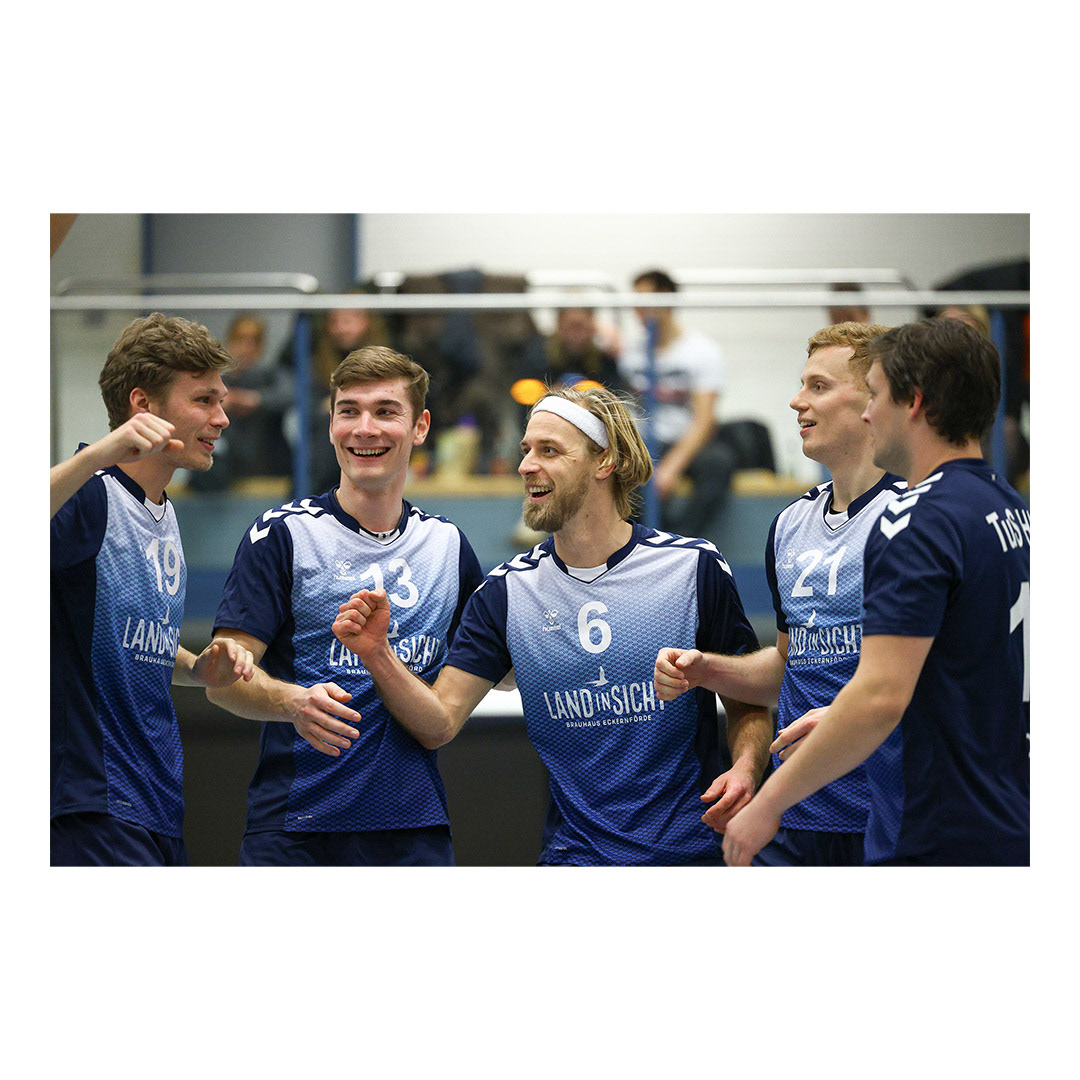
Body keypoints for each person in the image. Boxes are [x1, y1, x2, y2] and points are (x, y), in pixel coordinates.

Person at [332, 385, 773, 866]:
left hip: (690, 855)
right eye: (526, 450)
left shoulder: (693, 567)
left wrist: (747, 768)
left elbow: (749, 701)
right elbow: (438, 723)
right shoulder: (504, 593)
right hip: (571, 858)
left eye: (548, 451)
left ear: (604, 462)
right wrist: (377, 653)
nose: (525, 465)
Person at [722, 318, 1030, 866]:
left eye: (878, 395)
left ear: (912, 402)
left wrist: (769, 802)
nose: (870, 413)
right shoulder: (1008, 505)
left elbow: (882, 694)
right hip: (1002, 806)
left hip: (932, 820)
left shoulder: (917, 519)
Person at [205, 346, 483, 866]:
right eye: (349, 411)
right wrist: (291, 701)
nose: (364, 429)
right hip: (294, 828)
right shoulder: (283, 534)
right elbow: (223, 680)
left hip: (414, 829)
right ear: (331, 424)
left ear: (420, 427)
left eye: (386, 411)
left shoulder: (447, 545)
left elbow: (496, 673)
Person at [654, 322, 903, 865]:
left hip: (887, 815)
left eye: (818, 386)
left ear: (872, 399)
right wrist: (706, 670)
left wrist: (843, 717)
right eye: (801, 384)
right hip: (794, 814)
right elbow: (791, 667)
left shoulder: (915, 518)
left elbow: (938, 678)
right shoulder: (791, 524)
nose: (796, 401)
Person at [51, 313, 255, 866]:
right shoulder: (90, 494)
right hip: (92, 804)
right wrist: (95, 455)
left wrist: (196, 669)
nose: (221, 418)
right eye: (203, 400)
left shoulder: (163, 511)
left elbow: (134, 641)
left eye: (221, 401)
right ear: (142, 405)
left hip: (156, 804)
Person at [618, 269, 737, 539]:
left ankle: (682, 541)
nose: (637, 310)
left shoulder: (701, 351)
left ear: (666, 298)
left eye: (644, 300)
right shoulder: (630, 353)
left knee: (718, 463)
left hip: (683, 440)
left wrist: (672, 466)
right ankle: (642, 542)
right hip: (643, 442)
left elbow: (704, 420)